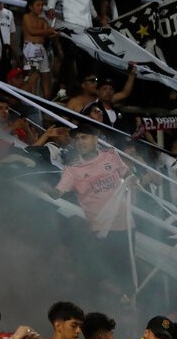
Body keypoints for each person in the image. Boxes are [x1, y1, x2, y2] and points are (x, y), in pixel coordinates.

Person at [46, 124, 134, 293]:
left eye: (84, 137)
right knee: (98, 277)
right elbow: (58, 192)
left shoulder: (111, 155)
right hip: (99, 231)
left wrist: (133, 194)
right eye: (77, 139)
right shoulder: (73, 169)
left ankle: (127, 310)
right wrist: (47, 189)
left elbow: (128, 175)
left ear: (95, 138)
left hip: (126, 227)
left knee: (126, 276)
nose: (79, 141)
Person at [22, 0, 58, 99]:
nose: (41, 7)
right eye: (38, 5)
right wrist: (48, 31)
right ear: (30, 7)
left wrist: (56, 32)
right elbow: (31, 31)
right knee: (33, 74)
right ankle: (31, 99)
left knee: (45, 74)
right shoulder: (26, 17)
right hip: (31, 47)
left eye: (42, 5)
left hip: (42, 48)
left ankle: (46, 100)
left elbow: (49, 33)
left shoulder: (43, 20)